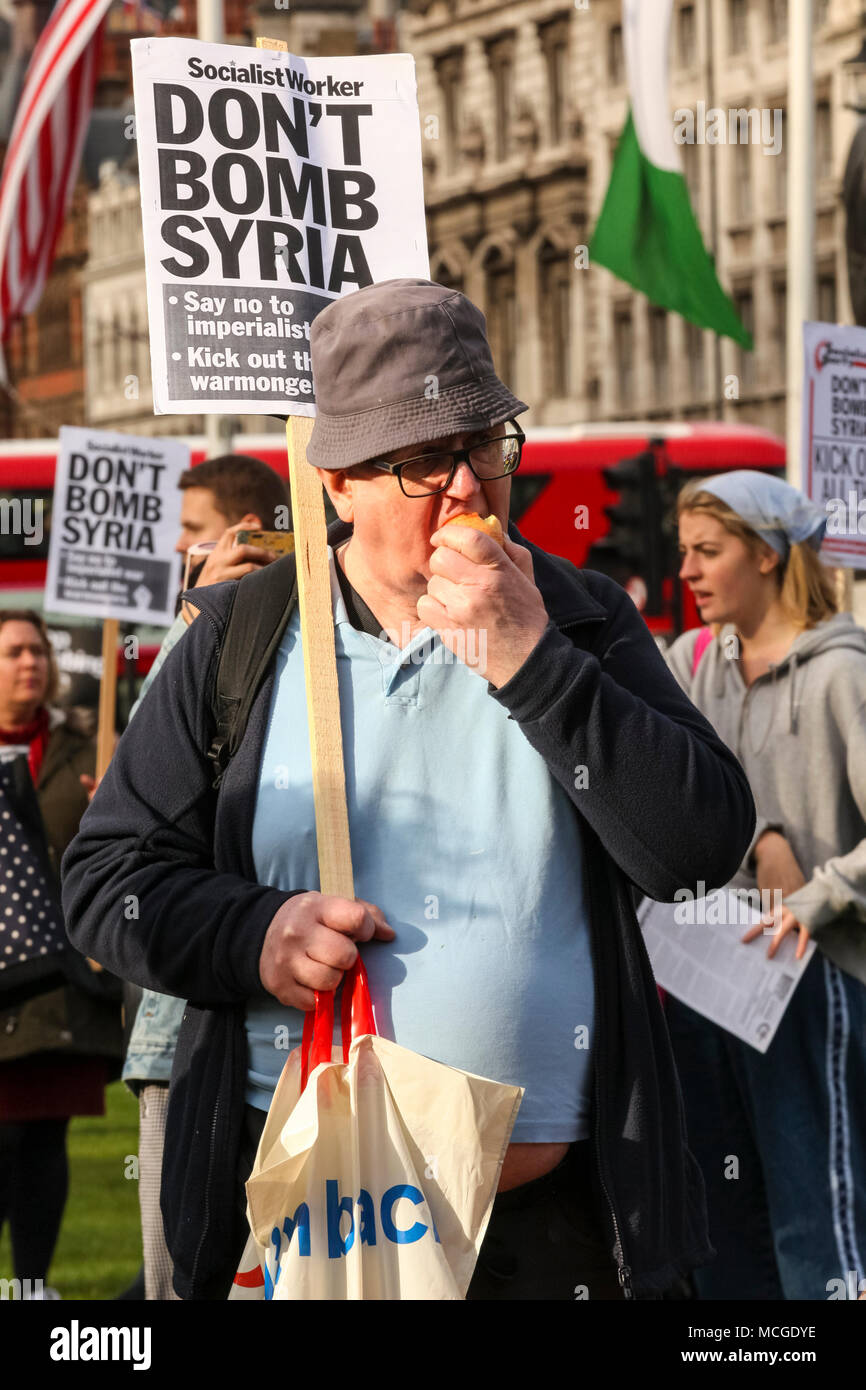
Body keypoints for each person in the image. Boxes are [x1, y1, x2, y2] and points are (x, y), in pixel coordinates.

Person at [62, 278, 755, 1301]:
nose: (469, 485)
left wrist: (530, 661)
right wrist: (250, 933)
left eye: (487, 445)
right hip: (314, 1220)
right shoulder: (236, 639)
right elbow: (106, 876)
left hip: (552, 1235)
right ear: (336, 480)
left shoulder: (580, 619)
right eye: (424, 460)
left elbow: (696, 849)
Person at [665, 470, 866, 1300]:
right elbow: (661, 787)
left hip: (820, 980)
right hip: (710, 976)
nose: (687, 572)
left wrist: (819, 897)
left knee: (817, 1215)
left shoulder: (842, 673)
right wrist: (763, 833)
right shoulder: (689, 661)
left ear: (771, 554)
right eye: (683, 552)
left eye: (709, 552)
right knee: (723, 1216)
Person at [122, 452, 289, 1301]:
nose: (179, 551)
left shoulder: (285, 643)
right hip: (174, 1021)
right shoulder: (198, 633)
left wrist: (212, 620)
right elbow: (135, 811)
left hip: (274, 1028)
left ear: (247, 533)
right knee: (183, 1279)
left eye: (191, 532)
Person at [0, 611, 122, 1299]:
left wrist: (113, 807)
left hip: (61, 978)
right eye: (15, 652)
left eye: (39, 651)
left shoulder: (90, 743)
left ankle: (32, 1287)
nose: (31, 664)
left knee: (43, 1134)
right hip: (3, 977)